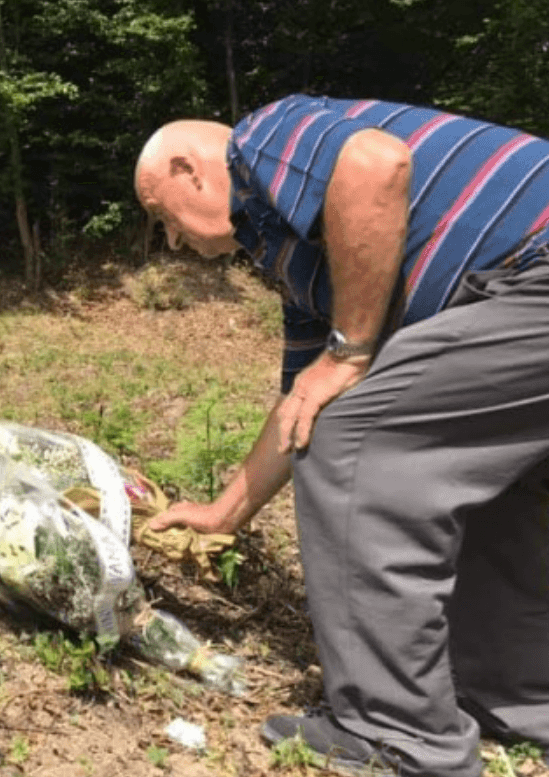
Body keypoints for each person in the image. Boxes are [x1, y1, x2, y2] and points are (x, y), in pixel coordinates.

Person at [135, 94, 549, 777]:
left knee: (358, 440)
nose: (174, 240)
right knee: (478, 482)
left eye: (162, 216)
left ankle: (397, 731)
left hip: (533, 273)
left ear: (189, 170)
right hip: (521, 308)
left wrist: (352, 349)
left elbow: (375, 161)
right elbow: (302, 406)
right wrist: (224, 512)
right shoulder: (301, 266)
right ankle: (523, 699)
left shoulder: (262, 138)